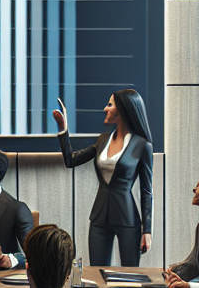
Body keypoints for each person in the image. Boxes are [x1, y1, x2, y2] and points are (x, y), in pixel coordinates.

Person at [52, 90, 154, 266]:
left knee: (130, 274)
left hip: (127, 218)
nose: (105, 108)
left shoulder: (142, 145)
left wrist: (147, 231)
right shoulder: (103, 140)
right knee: (97, 272)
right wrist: (63, 130)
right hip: (99, 218)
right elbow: (71, 161)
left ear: (122, 109)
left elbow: (146, 190)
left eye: (110, 104)